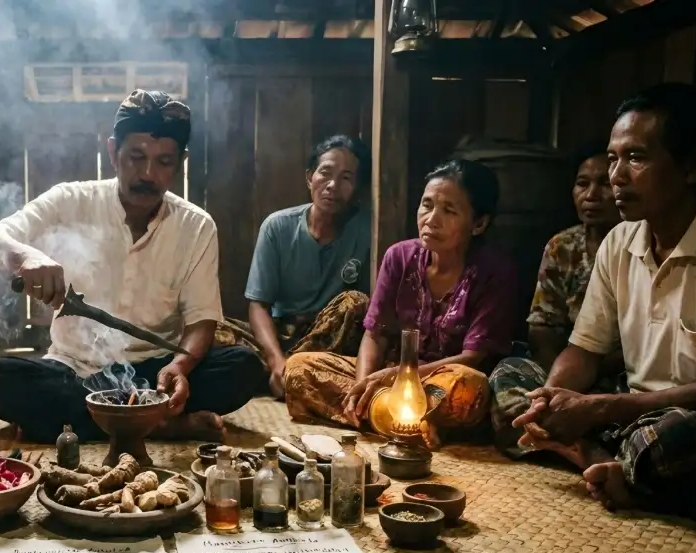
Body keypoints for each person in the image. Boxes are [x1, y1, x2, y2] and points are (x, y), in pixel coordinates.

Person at [0, 89, 264, 444]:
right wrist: (26, 257)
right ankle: (159, 426)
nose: (148, 173)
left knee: (243, 368)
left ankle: (81, 423)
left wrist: (180, 367)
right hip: (75, 371)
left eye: (164, 162)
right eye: (135, 157)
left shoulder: (197, 226)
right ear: (113, 152)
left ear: (181, 162)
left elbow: (202, 319)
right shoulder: (68, 200)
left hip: (156, 372)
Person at [506, 83, 696, 519]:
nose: (616, 175)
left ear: (693, 166)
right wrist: (553, 398)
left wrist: (599, 408)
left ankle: (600, 458)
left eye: (635, 158)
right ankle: (600, 459)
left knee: (671, 442)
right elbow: (584, 348)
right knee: (509, 383)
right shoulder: (620, 241)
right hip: (625, 411)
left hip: (684, 420)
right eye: (614, 157)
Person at [283, 159, 518, 448]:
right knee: (298, 367)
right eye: (427, 205)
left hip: (441, 381)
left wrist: (397, 375)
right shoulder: (399, 257)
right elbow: (374, 334)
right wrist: (364, 385)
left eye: (449, 211)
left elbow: (472, 359)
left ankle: (391, 416)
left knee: (468, 387)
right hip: (392, 378)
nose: (431, 219)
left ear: (479, 223)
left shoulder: (495, 271)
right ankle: (403, 421)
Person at [489, 142, 627, 457]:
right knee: (507, 375)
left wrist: (586, 387)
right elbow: (543, 328)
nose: (591, 194)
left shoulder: (638, 245)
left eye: (604, 184)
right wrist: (554, 395)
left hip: (618, 378)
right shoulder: (562, 246)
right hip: (567, 370)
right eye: (582, 184)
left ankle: (554, 440)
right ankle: (574, 447)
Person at [214, 135, 372, 399]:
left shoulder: (369, 230)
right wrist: (276, 359)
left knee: (355, 303)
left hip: (329, 342)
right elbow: (259, 304)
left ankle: (291, 374)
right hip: (279, 335)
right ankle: (288, 374)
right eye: (325, 173)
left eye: (346, 178)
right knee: (213, 329)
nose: (333, 185)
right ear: (310, 177)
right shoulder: (277, 226)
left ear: (358, 187)